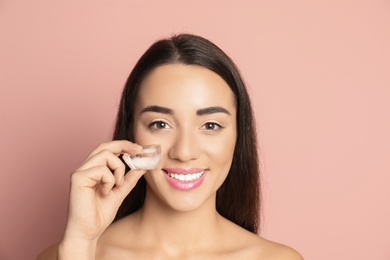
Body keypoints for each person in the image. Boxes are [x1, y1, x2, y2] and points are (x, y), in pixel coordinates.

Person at [38, 34, 303, 259]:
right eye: (160, 124)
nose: (184, 152)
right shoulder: (68, 254)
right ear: (130, 132)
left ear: (238, 135)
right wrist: (80, 244)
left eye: (210, 126)